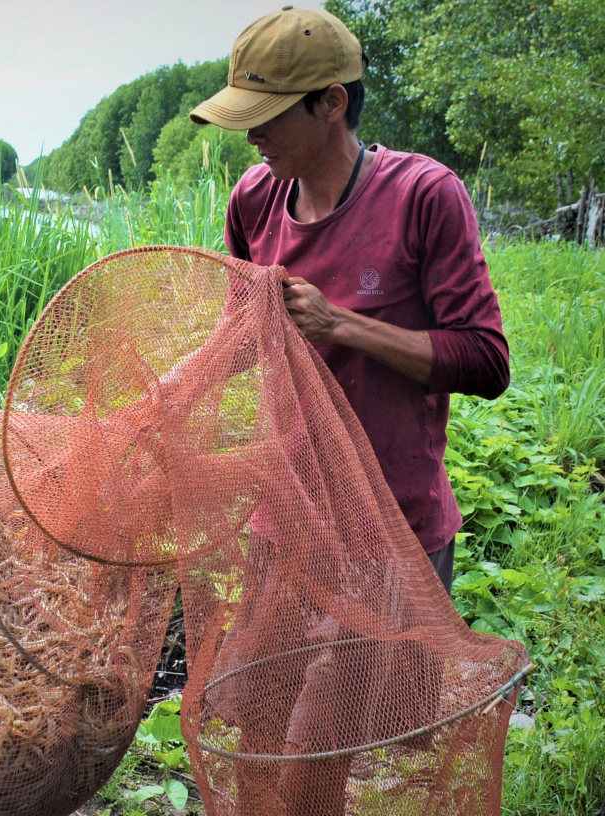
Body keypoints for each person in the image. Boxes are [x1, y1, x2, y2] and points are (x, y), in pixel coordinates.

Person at [191, 5, 509, 596]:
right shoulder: (253, 200)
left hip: (393, 528)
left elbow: (486, 362)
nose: (250, 133)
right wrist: (168, 397)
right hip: (285, 519)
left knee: (382, 691)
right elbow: (243, 333)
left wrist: (339, 324)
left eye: (268, 115)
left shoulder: (423, 196)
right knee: (271, 690)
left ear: (332, 103)